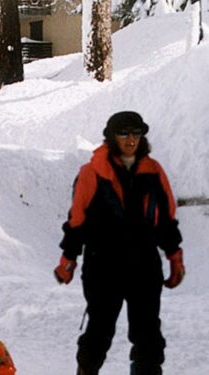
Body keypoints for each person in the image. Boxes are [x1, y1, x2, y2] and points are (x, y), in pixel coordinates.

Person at [55, 111, 185, 375]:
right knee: (100, 329)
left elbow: (166, 220)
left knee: (147, 332)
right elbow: (77, 220)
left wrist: (174, 257)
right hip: (103, 265)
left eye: (136, 133)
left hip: (145, 264)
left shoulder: (153, 171)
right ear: (111, 137)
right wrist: (68, 259)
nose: (131, 139)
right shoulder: (92, 172)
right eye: (124, 133)